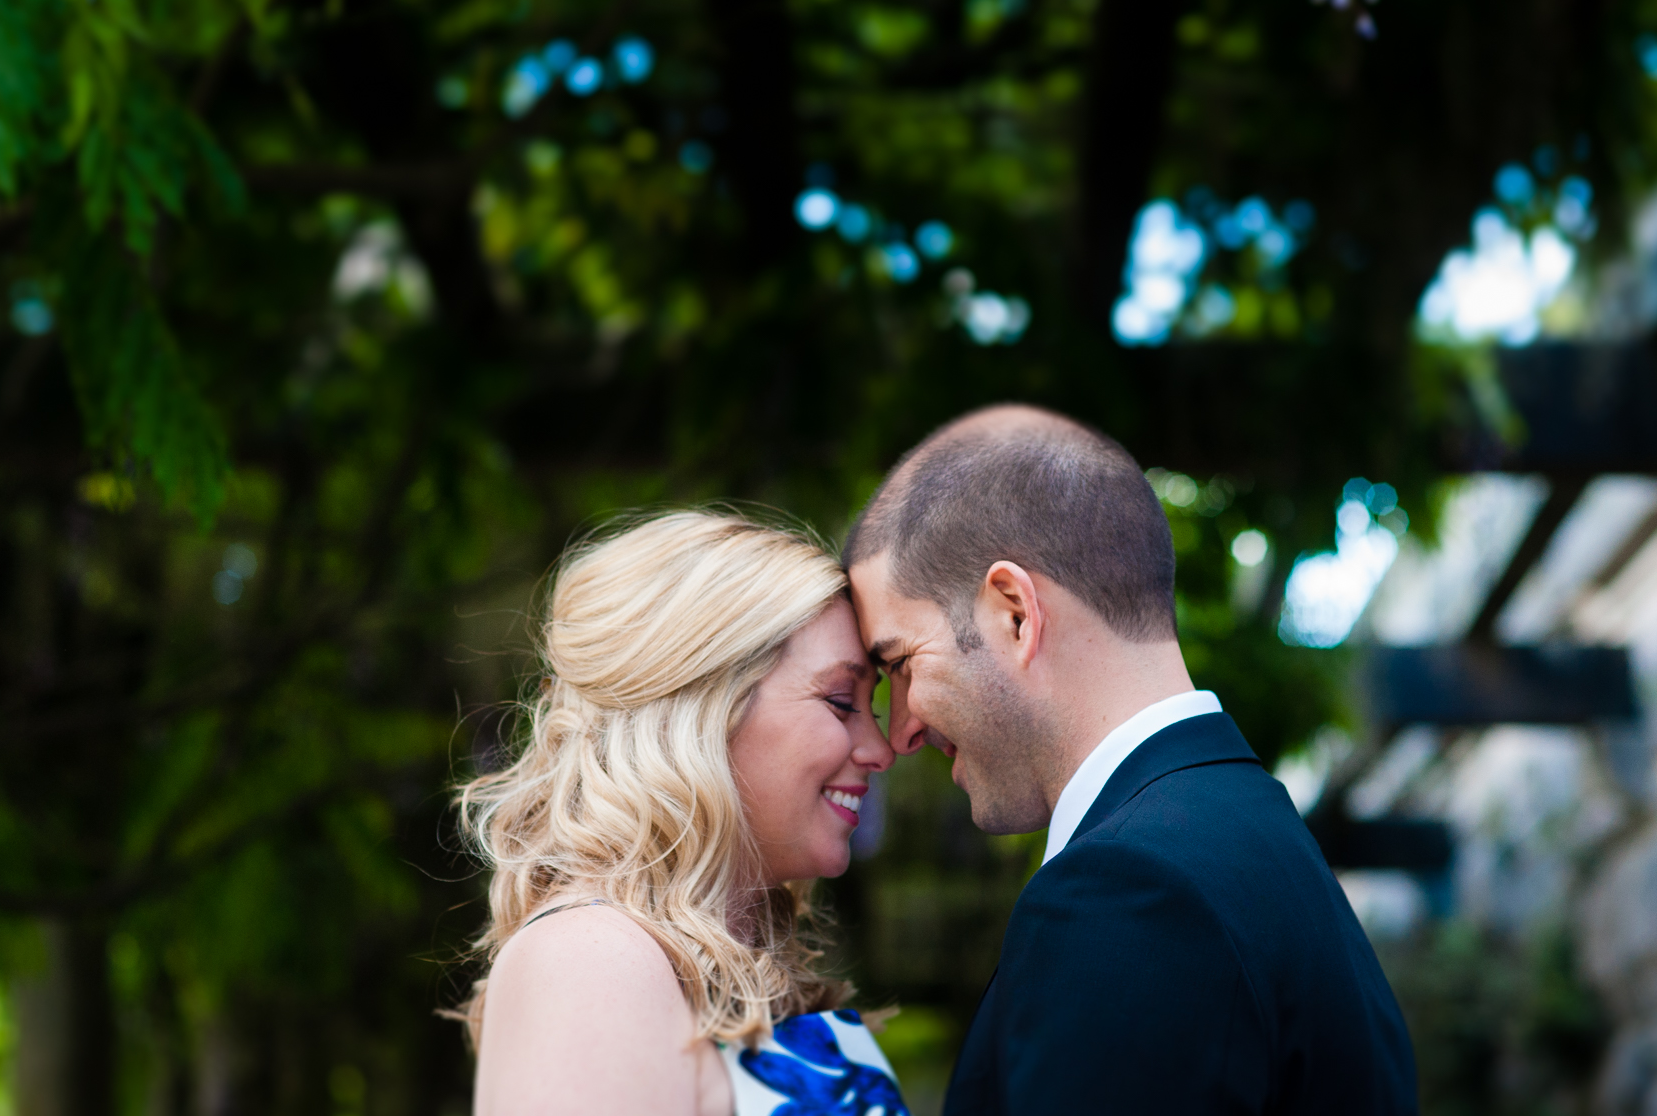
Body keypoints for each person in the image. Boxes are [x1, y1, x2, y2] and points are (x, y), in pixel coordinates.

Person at [844, 405, 1418, 1115]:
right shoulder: (1251, 835)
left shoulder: (1129, 893)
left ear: (1014, 613)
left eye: (899, 664)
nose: (898, 732)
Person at [455, 510, 908, 1116]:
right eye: (838, 701)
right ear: (702, 709)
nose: (880, 750)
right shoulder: (589, 961)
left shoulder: (697, 967)